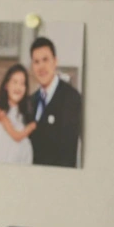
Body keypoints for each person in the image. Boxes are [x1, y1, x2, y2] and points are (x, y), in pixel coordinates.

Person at [26, 38, 83, 168]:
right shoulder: (31, 101)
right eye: (36, 62)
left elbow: (68, 152)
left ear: (55, 61)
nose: (41, 67)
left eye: (45, 60)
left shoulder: (71, 98)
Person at [0, 64, 36, 165]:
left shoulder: (24, 113)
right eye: (15, 82)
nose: (18, 87)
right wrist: (31, 127)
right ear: (6, 85)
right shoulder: (1, 113)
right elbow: (16, 136)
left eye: (22, 83)